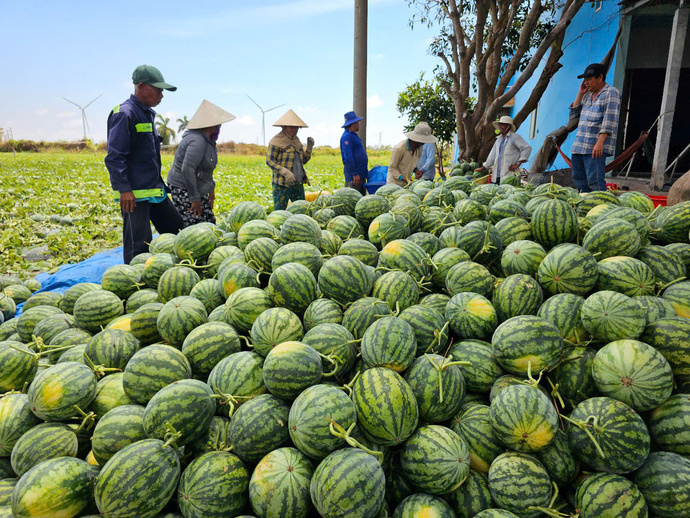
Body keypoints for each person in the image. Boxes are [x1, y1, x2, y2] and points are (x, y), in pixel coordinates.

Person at [105, 64, 184, 264]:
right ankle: (135, 286)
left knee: (180, 233)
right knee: (139, 247)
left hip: (154, 190)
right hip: (134, 195)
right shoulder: (124, 113)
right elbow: (115, 157)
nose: (161, 95)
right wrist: (123, 189)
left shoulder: (146, 113)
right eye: (157, 89)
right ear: (141, 86)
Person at [167, 100, 235, 227]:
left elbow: (207, 168)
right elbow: (187, 169)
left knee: (208, 221)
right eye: (218, 125)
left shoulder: (208, 140)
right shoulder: (197, 141)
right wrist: (194, 199)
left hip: (195, 188)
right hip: (184, 189)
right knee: (193, 223)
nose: (219, 128)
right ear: (210, 125)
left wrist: (211, 190)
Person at [570, 62, 621, 192]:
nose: (586, 82)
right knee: (579, 180)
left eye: (589, 79)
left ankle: (599, 208)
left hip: (594, 147)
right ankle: (584, 208)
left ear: (600, 77)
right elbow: (574, 114)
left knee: (595, 181)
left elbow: (610, 119)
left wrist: (600, 143)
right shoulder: (587, 95)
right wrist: (580, 93)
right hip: (579, 146)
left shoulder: (611, 93)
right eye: (584, 80)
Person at [266, 109, 314, 210]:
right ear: (283, 126)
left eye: (296, 127)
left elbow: (303, 161)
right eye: (291, 126)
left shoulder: (297, 141)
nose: (293, 129)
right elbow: (269, 161)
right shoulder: (276, 141)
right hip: (281, 184)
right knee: (280, 212)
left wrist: (309, 147)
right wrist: (284, 171)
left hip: (298, 183)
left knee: (302, 210)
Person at [474, 115, 531, 184]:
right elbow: (492, 155)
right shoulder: (498, 139)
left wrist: (518, 163)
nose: (500, 126)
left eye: (503, 124)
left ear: (508, 126)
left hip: (510, 177)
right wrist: (483, 168)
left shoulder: (515, 137)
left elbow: (527, 148)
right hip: (497, 176)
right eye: (499, 124)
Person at [387, 122, 437, 187]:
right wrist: (402, 178)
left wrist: (416, 170)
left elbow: (409, 163)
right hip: (394, 184)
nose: (424, 143)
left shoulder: (419, 148)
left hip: (406, 184)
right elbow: (392, 167)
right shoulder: (400, 148)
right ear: (417, 140)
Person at [340, 111, 368, 194]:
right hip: (354, 177)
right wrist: (354, 173)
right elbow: (348, 157)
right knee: (353, 200)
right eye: (357, 122)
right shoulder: (347, 137)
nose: (358, 124)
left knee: (361, 200)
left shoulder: (353, 135)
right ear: (352, 124)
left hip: (360, 176)